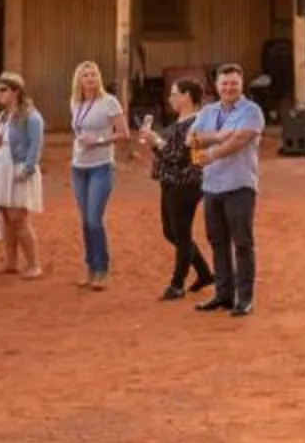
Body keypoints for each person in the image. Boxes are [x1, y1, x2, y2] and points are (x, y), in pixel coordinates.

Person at [190, 62, 266, 317]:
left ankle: (244, 299)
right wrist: (220, 136)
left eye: (234, 83)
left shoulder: (251, 111)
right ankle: (223, 294)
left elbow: (240, 139)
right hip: (212, 186)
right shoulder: (208, 110)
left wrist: (211, 152)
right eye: (224, 83)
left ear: (242, 84)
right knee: (218, 242)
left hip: (240, 185)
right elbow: (192, 139)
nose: (229, 87)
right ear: (217, 85)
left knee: (242, 243)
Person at [136, 78, 215, 301]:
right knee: (171, 232)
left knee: (180, 234)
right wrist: (155, 142)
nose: (170, 98)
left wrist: (156, 141)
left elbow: (179, 157)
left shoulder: (197, 123)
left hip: (186, 182)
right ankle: (204, 274)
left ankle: (177, 284)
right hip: (171, 181)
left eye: (174, 94)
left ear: (186, 96)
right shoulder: (183, 121)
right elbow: (168, 154)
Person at [68, 61, 126, 291]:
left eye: (93, 75)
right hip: (78, 167)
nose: (90, 79)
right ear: (79, 80)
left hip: (101, 166)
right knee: (85, 221)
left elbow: (124, 134)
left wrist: (99, 140)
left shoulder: (109, 102)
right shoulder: (75, 102)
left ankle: (102, 269)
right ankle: (90, 268)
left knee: (94, 219)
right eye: (86, 75)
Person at [0, 73, 45, 280]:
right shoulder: (3, 116)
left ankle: (34, 264)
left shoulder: (31, 116)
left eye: (3, 90)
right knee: (6, 217)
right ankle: (11, 262)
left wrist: (28, 168)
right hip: (2, 165)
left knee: (18, 217)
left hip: (19, 167)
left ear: (16, 92)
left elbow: (36, 144)